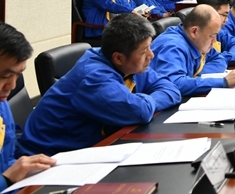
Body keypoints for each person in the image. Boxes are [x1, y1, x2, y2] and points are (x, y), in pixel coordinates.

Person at [19, 14, 181, 156]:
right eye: (144, 51)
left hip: (91, 148)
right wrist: (144, 102)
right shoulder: (94, 77)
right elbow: (140, 111)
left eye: (149, 47)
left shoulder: (130, 65)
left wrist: (143, 101)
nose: (151, 55)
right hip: (48, 159)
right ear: (118, 58)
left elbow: (171, 89)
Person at [0, 23, 57, 194]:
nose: (12, 86)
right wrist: (6, 179)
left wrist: (28, 168)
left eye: (18, 75)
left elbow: (7, 158)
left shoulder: (2, 104)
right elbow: (7, 175)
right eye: (4, 76)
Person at [150, 5, 235, 97]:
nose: (214, 42)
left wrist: (196, 78)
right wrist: (223, 82)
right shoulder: (172, 46)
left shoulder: (196, 40)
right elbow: (173, 84)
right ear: (194, 31)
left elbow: (219, 59)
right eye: (212, 36)